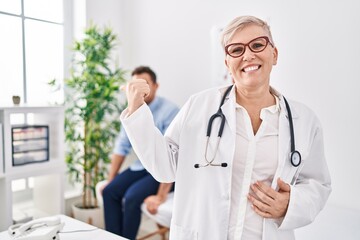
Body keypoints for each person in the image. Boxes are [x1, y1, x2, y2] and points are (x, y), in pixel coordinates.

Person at [120, 16, 331, 240]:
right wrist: (136, 110)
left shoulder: (303, 121)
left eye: (258, 45)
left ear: (274, 54)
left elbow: (317, 184)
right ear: (227, 63)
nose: (248, 55)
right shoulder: (199, 106)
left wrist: (290, 204)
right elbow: (165, 168)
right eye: (236, 50)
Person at [102, 66, 179, 239]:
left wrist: (160, 196)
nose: (139, 89)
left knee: (131, 197)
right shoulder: (131, 109)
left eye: (144, 84)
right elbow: (121, 146)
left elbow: (173, 154)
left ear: (156, 86)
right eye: (135, 85)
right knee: (109, 191)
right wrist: (111, 178)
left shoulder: (170, 111)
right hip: (141, 167)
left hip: (162, 169)